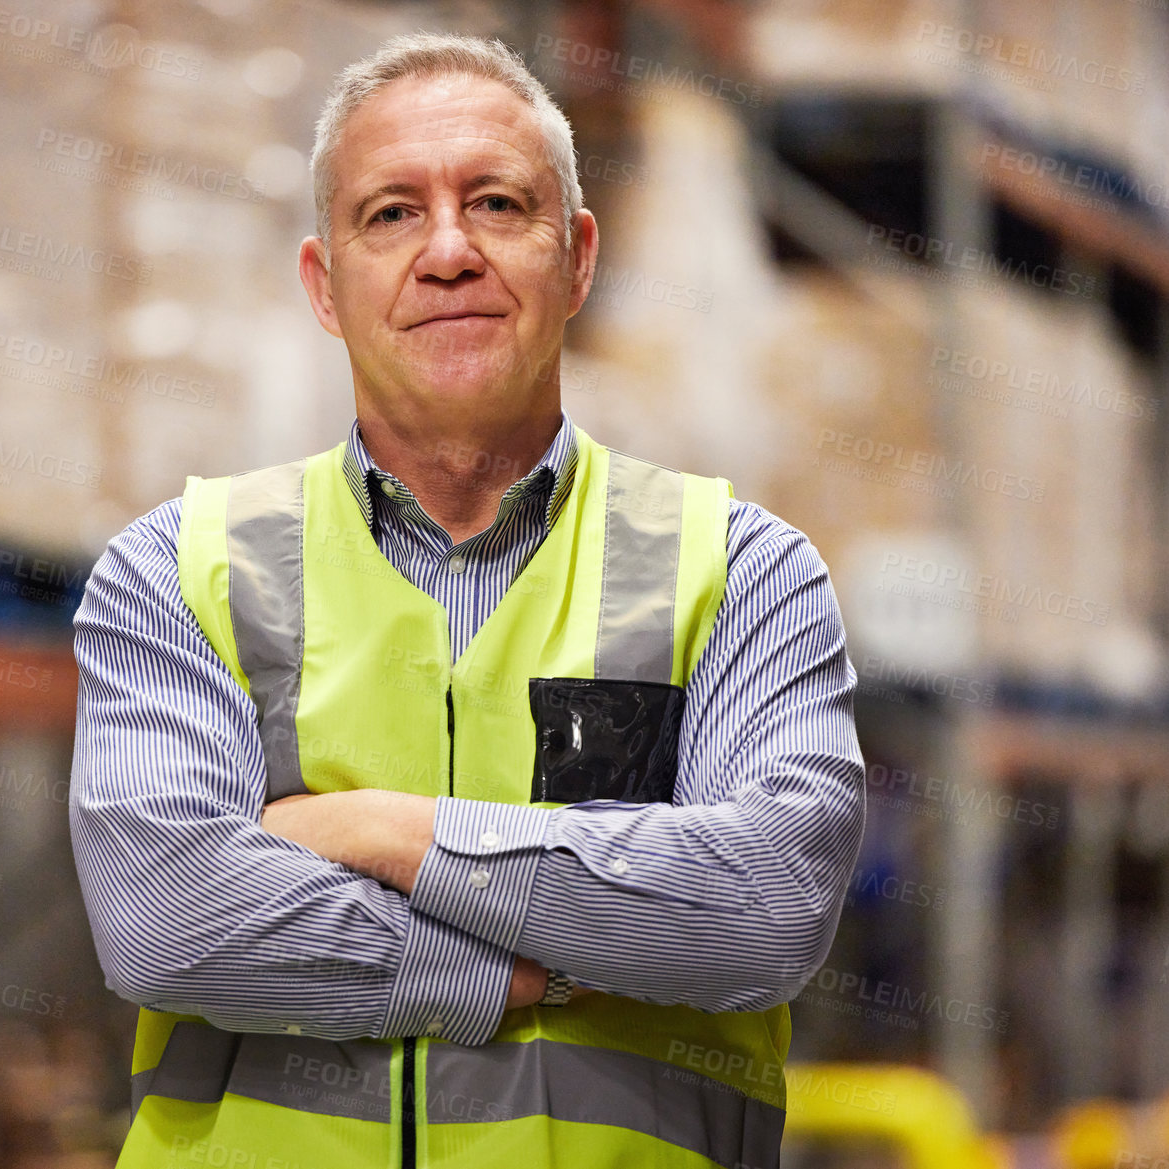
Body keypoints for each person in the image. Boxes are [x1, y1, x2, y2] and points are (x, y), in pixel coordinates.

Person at [68, 31, 865, 1169]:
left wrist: (380, 832)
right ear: (323, 284)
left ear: (578, 258)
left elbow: (760, 913)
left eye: (495, 203)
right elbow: (168, 920)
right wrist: (527, 960)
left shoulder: (740, 572)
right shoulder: (176, 570)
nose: (446, 250)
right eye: (389, 214)